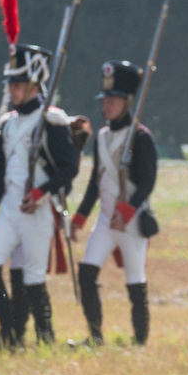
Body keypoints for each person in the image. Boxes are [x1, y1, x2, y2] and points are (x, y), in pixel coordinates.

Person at [0, 0, 81, 348]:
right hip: (10, 210)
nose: (13, 89)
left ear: (35, 83)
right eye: (12, 83)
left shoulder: (51, 121)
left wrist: (42, 191)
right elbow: (1, 174)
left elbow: (70, 168)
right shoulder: (11, 123)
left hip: (36, 210)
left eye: (19, 83)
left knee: (34, 278)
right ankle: (9, 332)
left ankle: (45, 337)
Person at [72, 60, 160, 346]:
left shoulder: (141, 138)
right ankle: (96, 337)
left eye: (113, 101)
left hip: (131, 222)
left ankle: (140, 341)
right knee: (86, 273)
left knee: (135, 282)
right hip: (106, 221)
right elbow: (95, 185)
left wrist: (125, 213)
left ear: (127, 101)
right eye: (105, 100)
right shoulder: (101, 137)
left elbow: (147, 182)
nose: (106, 106)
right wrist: (80, 218)